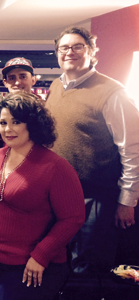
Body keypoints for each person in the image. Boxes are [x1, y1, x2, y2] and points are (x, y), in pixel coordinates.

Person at [0, 93, 85, 300]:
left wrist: (40, 256)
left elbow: (73, 218)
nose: (7, 129)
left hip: (29, 266)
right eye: (3, 122)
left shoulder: (56, 166)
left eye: (16, 122)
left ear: (33, 124)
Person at [45, 26, 139, 277]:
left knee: (87, 265)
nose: (70, 52)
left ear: (91, 51)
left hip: (95, 197)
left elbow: (132, 150)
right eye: (64, 47)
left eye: (78, 46)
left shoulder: (113, 93)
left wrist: (127, 202)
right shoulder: (56, 86)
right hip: (57, 194)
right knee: (59, 261)